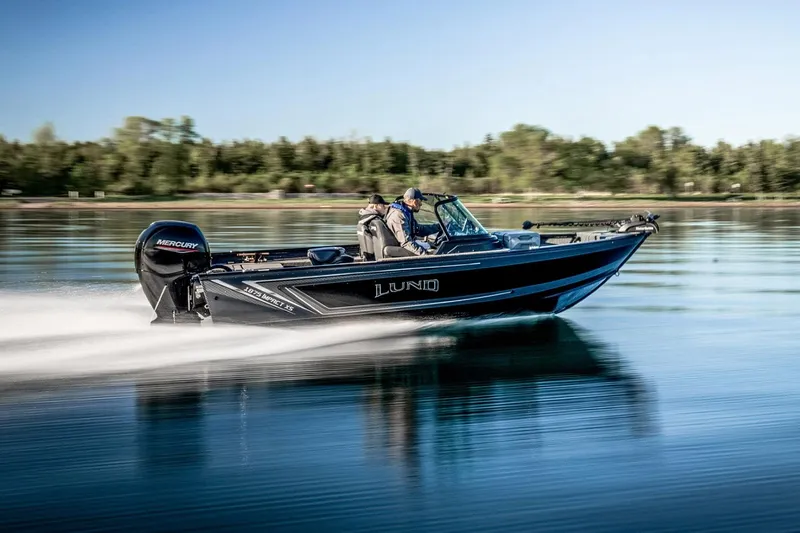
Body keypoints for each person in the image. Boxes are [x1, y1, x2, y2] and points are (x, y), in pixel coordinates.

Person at [384, 187, 440, 256]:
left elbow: (418, 229)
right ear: (415, 201)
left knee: (432, 246)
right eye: (420, 201)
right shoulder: (398, 215)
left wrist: (439, 227)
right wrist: (426, 254)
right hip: (401, 252)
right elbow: (406, 243)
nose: (421, 204)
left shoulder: (406, 212)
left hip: (406, 247)